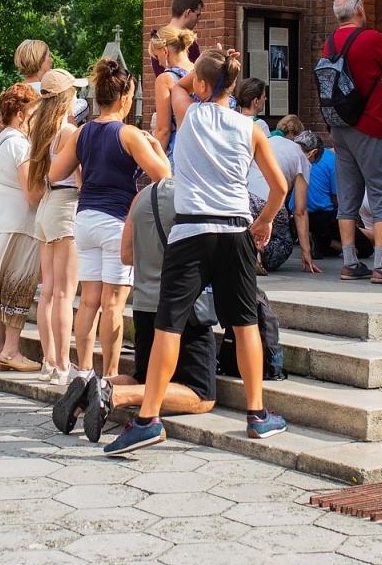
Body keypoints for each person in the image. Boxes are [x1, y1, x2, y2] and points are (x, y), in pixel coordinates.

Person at [104, 50, 289, 456]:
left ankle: (149, 420)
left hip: (190, 231)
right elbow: (280, 188)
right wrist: (264, 223)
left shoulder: (189, 112)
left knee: (169, 326)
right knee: (244, 325)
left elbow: (180, 84)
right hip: (235, 230)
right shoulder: (252, 128)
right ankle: (257, 414)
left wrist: (207, 62)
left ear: (203, 86)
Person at [54, 177, 217, 441]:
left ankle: (89, 389)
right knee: (201, 395)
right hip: (183, 308)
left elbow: (126, 256)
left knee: (143, 375)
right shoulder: (192, 195)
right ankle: (113, 394)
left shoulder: (140, 198)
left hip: (144, 305)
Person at [52, 58, 172, 380]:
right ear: (123, 98)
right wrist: (157, 147)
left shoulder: (81, 133)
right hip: (115, 221)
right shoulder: (129, 134)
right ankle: (111, 377)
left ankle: (83, 372)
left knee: (88, 301)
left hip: (85, 218)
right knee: (114, 304)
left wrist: (85, 169)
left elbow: (54, 173)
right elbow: (164, 176)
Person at [322, 0, 382, 285]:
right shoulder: (372, 38)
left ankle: (350, 262)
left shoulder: (330, 42)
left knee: (348, 196)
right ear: (359, 10)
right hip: (373, 126)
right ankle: (381, 265)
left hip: (340, 128)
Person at [0, 83, 43, 372]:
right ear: (20, 113)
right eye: (34, 112)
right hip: (17, 223)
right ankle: (12, 351)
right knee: (17, 285)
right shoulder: (20, 144)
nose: (37, 118)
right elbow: (32, 193)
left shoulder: (0, 139)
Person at [29, 70, 82, 384]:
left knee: (48, 291)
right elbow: (81, 179)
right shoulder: (69, 131)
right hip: (65, 204)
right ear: (67, 96)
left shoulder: (39, 128)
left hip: (48, 205)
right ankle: (62, 365)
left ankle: (50, 362)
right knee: (64, 293)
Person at [248, 117, 320, 274]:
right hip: (269, 197)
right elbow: (300, 211)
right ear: (312, 153)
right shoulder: (303, 159)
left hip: (245, 193)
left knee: (250, 227)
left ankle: (244, 248)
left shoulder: (272, 140)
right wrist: (306, 251)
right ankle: (257, 251)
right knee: (284, 241)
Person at [148, 25, 197, 154]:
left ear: (165, 51)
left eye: (157, 56)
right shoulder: (201, 71)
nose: (159, 63)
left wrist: (154, 161)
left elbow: (163, 131)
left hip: (179, 153)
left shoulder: (165, 79)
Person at [170, 0, 204, 66]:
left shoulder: (157, 39)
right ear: (188, 12)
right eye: (197, 15)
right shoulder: (189, 44)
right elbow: (198, 75)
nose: (198, 21)